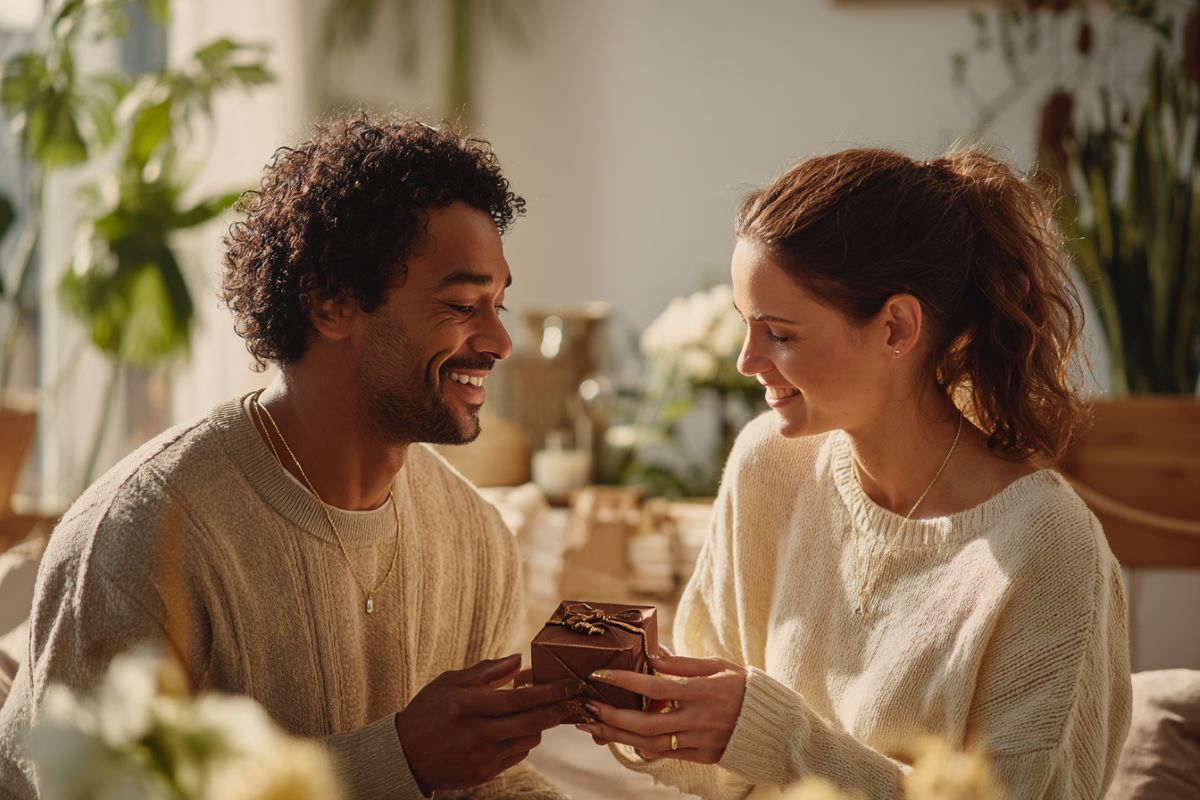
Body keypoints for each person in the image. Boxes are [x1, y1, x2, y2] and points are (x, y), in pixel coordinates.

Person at [0, 113, 580, 800]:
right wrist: (395, 762)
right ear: (332, 304)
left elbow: (486, 780)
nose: (498, 343)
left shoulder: (477, 537)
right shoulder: (140, 534)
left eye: (498, 305)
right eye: (460, 306)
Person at [578, 148, 1132, 798]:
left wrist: (780, 739)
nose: (746, 361)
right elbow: (722, 763)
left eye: (779, 333)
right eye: (745, 326)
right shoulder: (769, 465)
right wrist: (634, 715)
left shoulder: (1047, 549)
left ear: (896, 327)